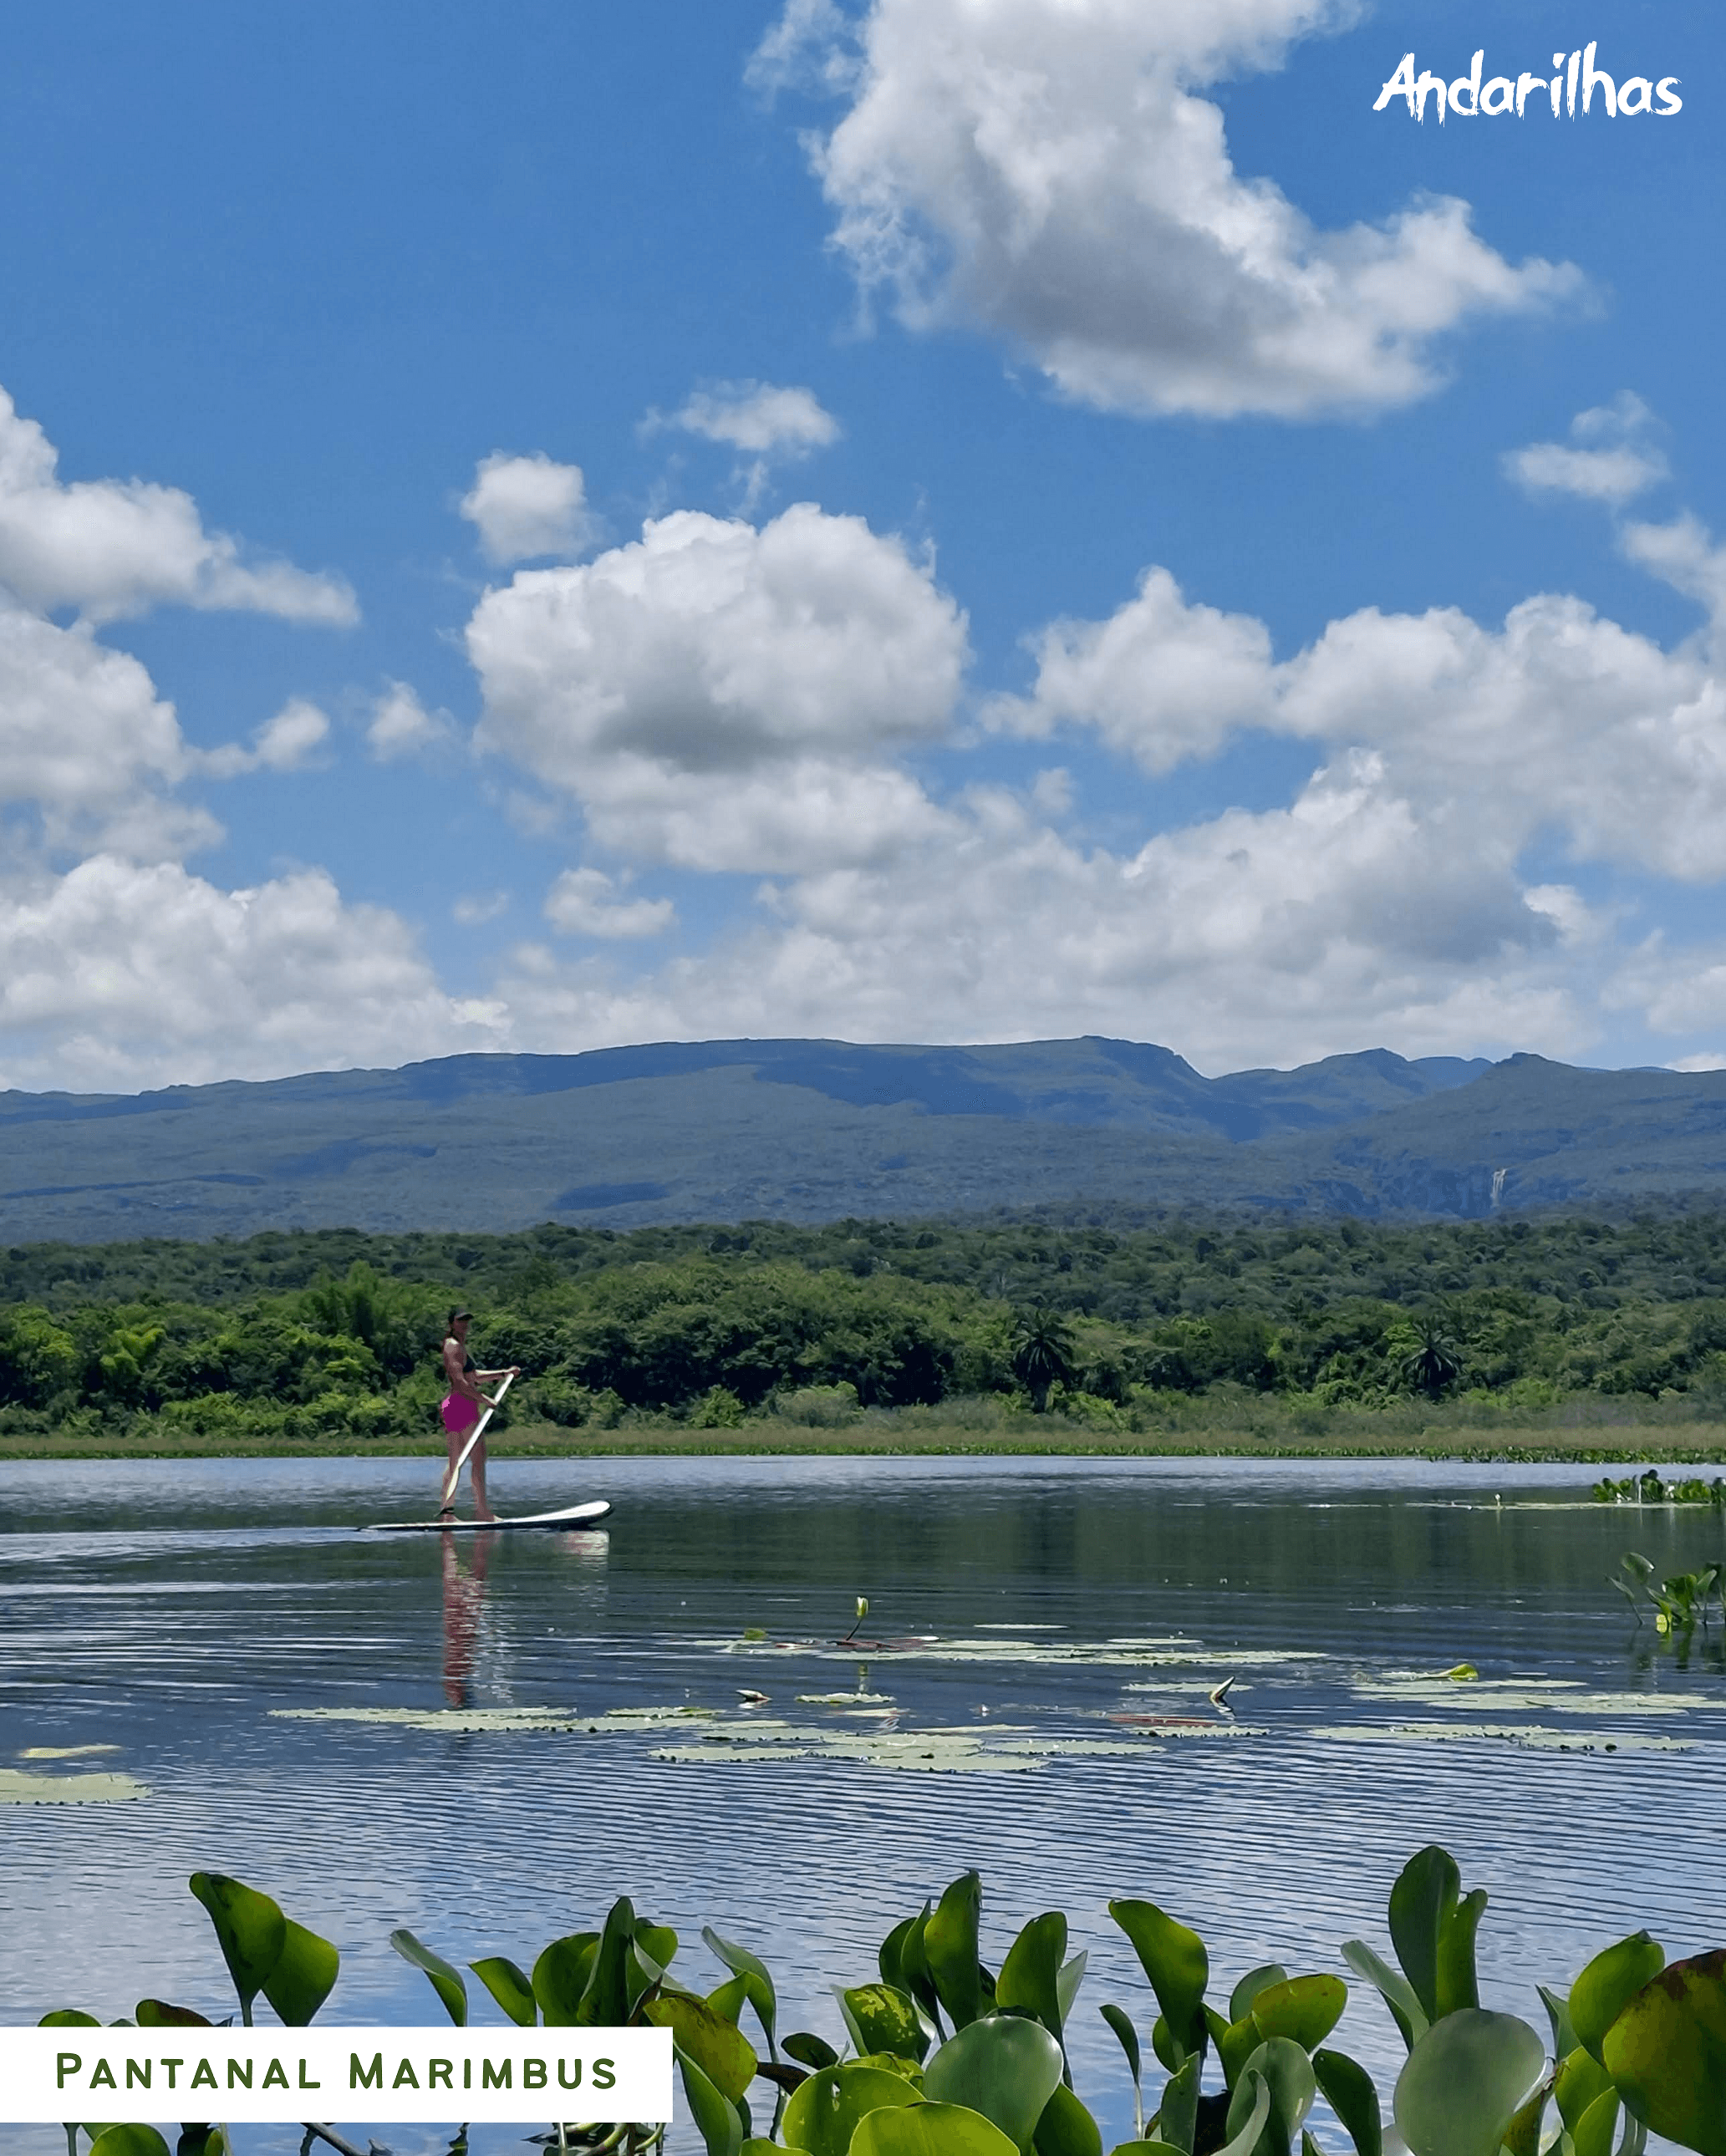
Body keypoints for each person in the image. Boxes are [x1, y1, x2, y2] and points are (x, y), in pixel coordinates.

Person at [439, 1309, 521, 1523]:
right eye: (460, 1320)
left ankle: (449, 1513)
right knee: (474, 1457)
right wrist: (484, 1399)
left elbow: (473, 1376)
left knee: (460, 1459)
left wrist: (503, 1374)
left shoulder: (459, 1346)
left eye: (467, 1320)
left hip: (460, 1404)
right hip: (460, 1405)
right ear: (451, 1323)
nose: (464, 1324)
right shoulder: (452, 1346)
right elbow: (459, 1382)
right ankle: (481, 1512)